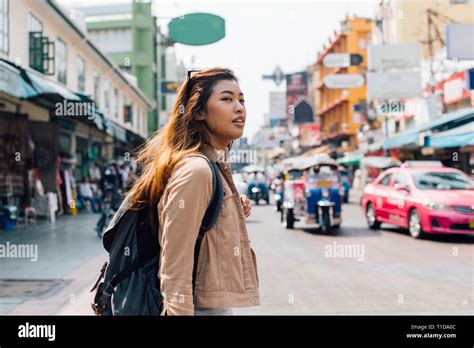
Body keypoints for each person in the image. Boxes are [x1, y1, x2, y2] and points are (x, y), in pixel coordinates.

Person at [128, 68, 259, 316]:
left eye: (241, 99)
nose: (239, 107)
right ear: (198, 112)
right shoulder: (196, 170)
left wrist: (228, 208)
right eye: (227, 99)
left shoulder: (213, 166)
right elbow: (175, 264)